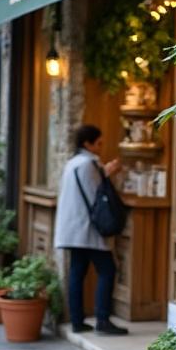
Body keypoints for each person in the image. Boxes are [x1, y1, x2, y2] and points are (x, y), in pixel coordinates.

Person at [54, 125, 128, 335]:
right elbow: (97, 194)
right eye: (99, 142)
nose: (101, 146)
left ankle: (77, 320)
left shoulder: (73, 163)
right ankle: (103, 320)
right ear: (88, 143)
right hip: (87, 228)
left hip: (73, 228)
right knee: (107, 270)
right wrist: (109, 173)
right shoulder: (89, 164)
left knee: (78, 272)